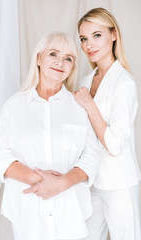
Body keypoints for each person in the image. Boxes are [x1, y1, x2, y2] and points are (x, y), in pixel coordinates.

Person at [0, 32, 100, 240]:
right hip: (28, 213)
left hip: (70, 213)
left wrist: (63, 183)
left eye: (68, 58)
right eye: (53, 54)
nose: (61, 62)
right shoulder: (14, 106)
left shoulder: (79, 107)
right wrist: (38, 180)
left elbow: (92, 157)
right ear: (38, 59)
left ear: (72, 68)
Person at [73, 7, 141, 240]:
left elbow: (114, 145)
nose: (88, 44)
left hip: (119, 182)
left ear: (113, 35)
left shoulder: (124, 83)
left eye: (96, 35)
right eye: (83, 38)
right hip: (92, 180)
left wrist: (89, 105)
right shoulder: (86, 80)